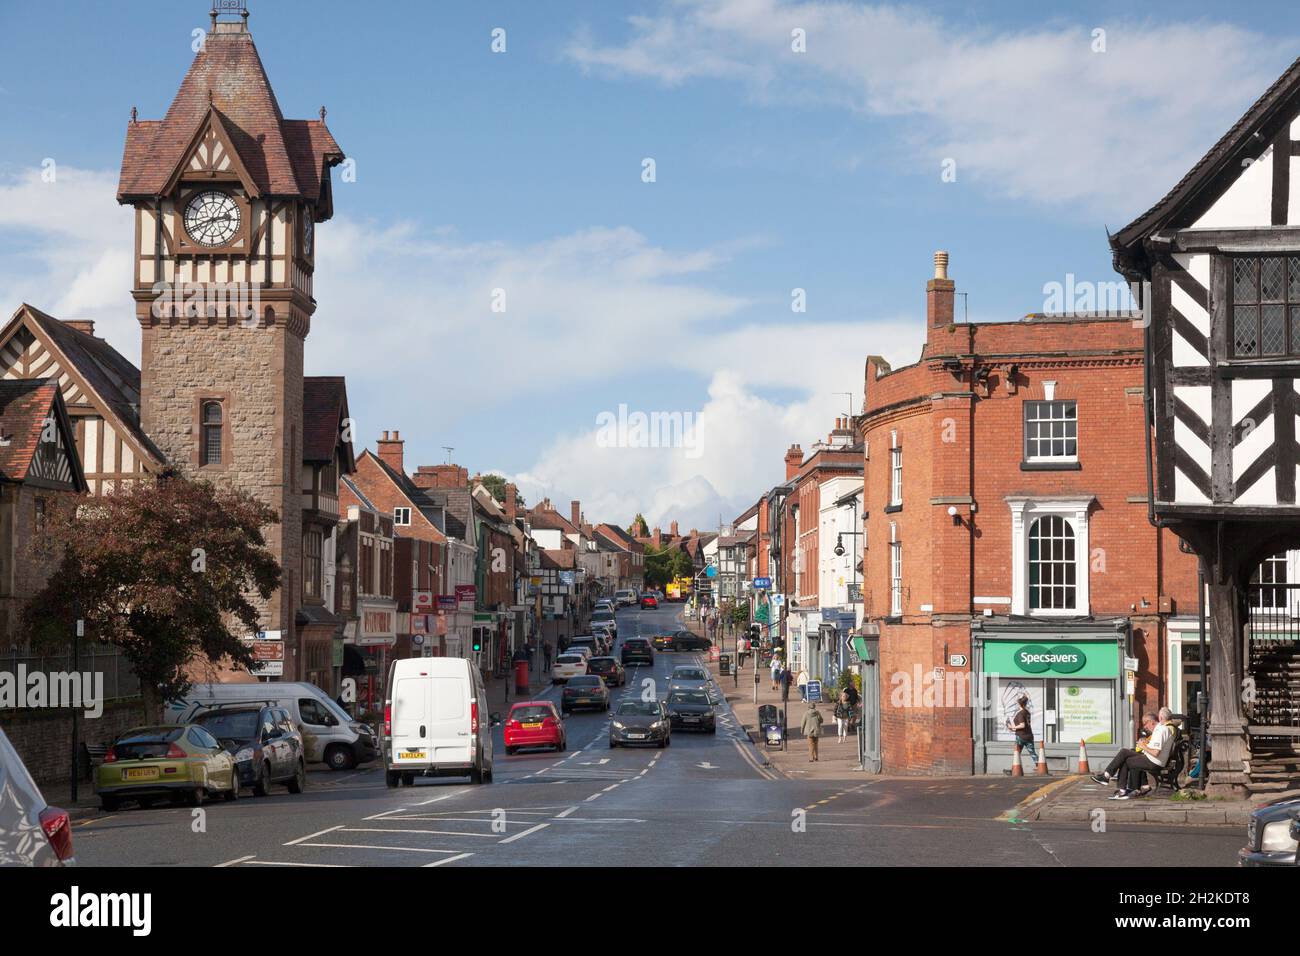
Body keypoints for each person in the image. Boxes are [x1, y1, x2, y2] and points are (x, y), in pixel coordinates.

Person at [1092, 710, 1173, 799]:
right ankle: (1112, 781)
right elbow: (1155, 749)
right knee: (1124, 754)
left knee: (1125, 756)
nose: (1145, 727)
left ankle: (1111, 781)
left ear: (1151, 722)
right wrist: (1146, 744)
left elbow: (1156, 752)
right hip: (1153, 759)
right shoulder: (1161, 730)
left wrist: (1143, 746)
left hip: (1154, 762)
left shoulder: (1161, 730)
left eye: (1146, 723)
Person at [1008, 694, 1038, 768]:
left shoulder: (1020, 713)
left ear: (1019, 704)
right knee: (1033, 753)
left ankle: (1014, 770)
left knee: (1017, 753)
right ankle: (1040, 766)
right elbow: (1024, 726)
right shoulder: (1027, 712)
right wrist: (1014, 729)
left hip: (1021, 736)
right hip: (1029, 736)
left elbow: (1022, 725)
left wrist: (1013, 727)